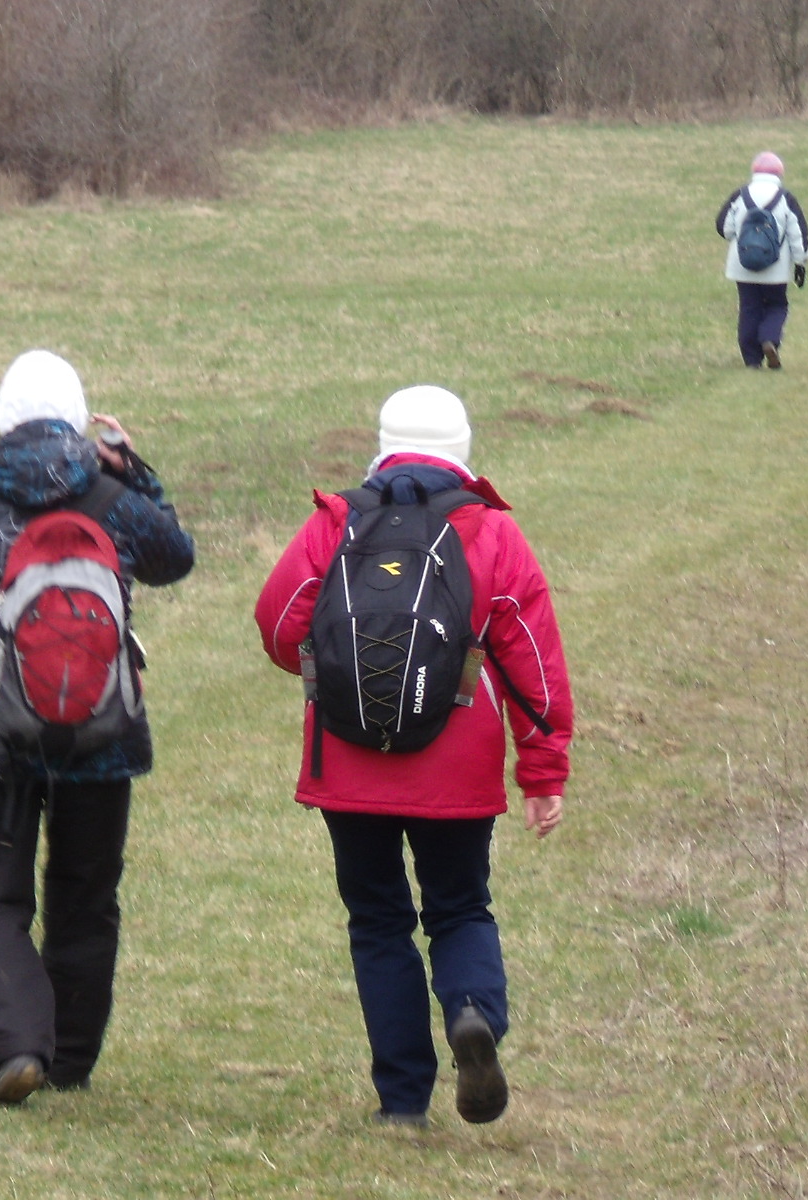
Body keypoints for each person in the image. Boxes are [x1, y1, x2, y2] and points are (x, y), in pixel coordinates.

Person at [253, 385, 574, 1132]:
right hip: (456, 769)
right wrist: (543, 769)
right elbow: (534, 664)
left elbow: (278, 624)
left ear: (383, 444)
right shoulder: (491, 530)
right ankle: (471, 1013)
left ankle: (402, 1103)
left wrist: (331, 673)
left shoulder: (336, 520)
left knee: (378, 921)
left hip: (347, 763)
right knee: (459, 906)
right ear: (462, 450)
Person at [0, 348, 196, 1105]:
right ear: (80, 419)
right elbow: (174, 557)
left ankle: (19, 1046)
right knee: (86, 896)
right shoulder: (114, 497)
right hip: (101, 730)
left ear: (2, 420)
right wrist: (135, 471)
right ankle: (71, 1060)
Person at [716, 150, 808, 370]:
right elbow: (798, 235)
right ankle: (769, 339)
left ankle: (752, 360)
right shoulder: (785, 198)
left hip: (742, 266)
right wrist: (800, 262)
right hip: (775, 268)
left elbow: (724, 228)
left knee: (749, 308)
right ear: (779, 173)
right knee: (777, 305)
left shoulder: (740, 195)